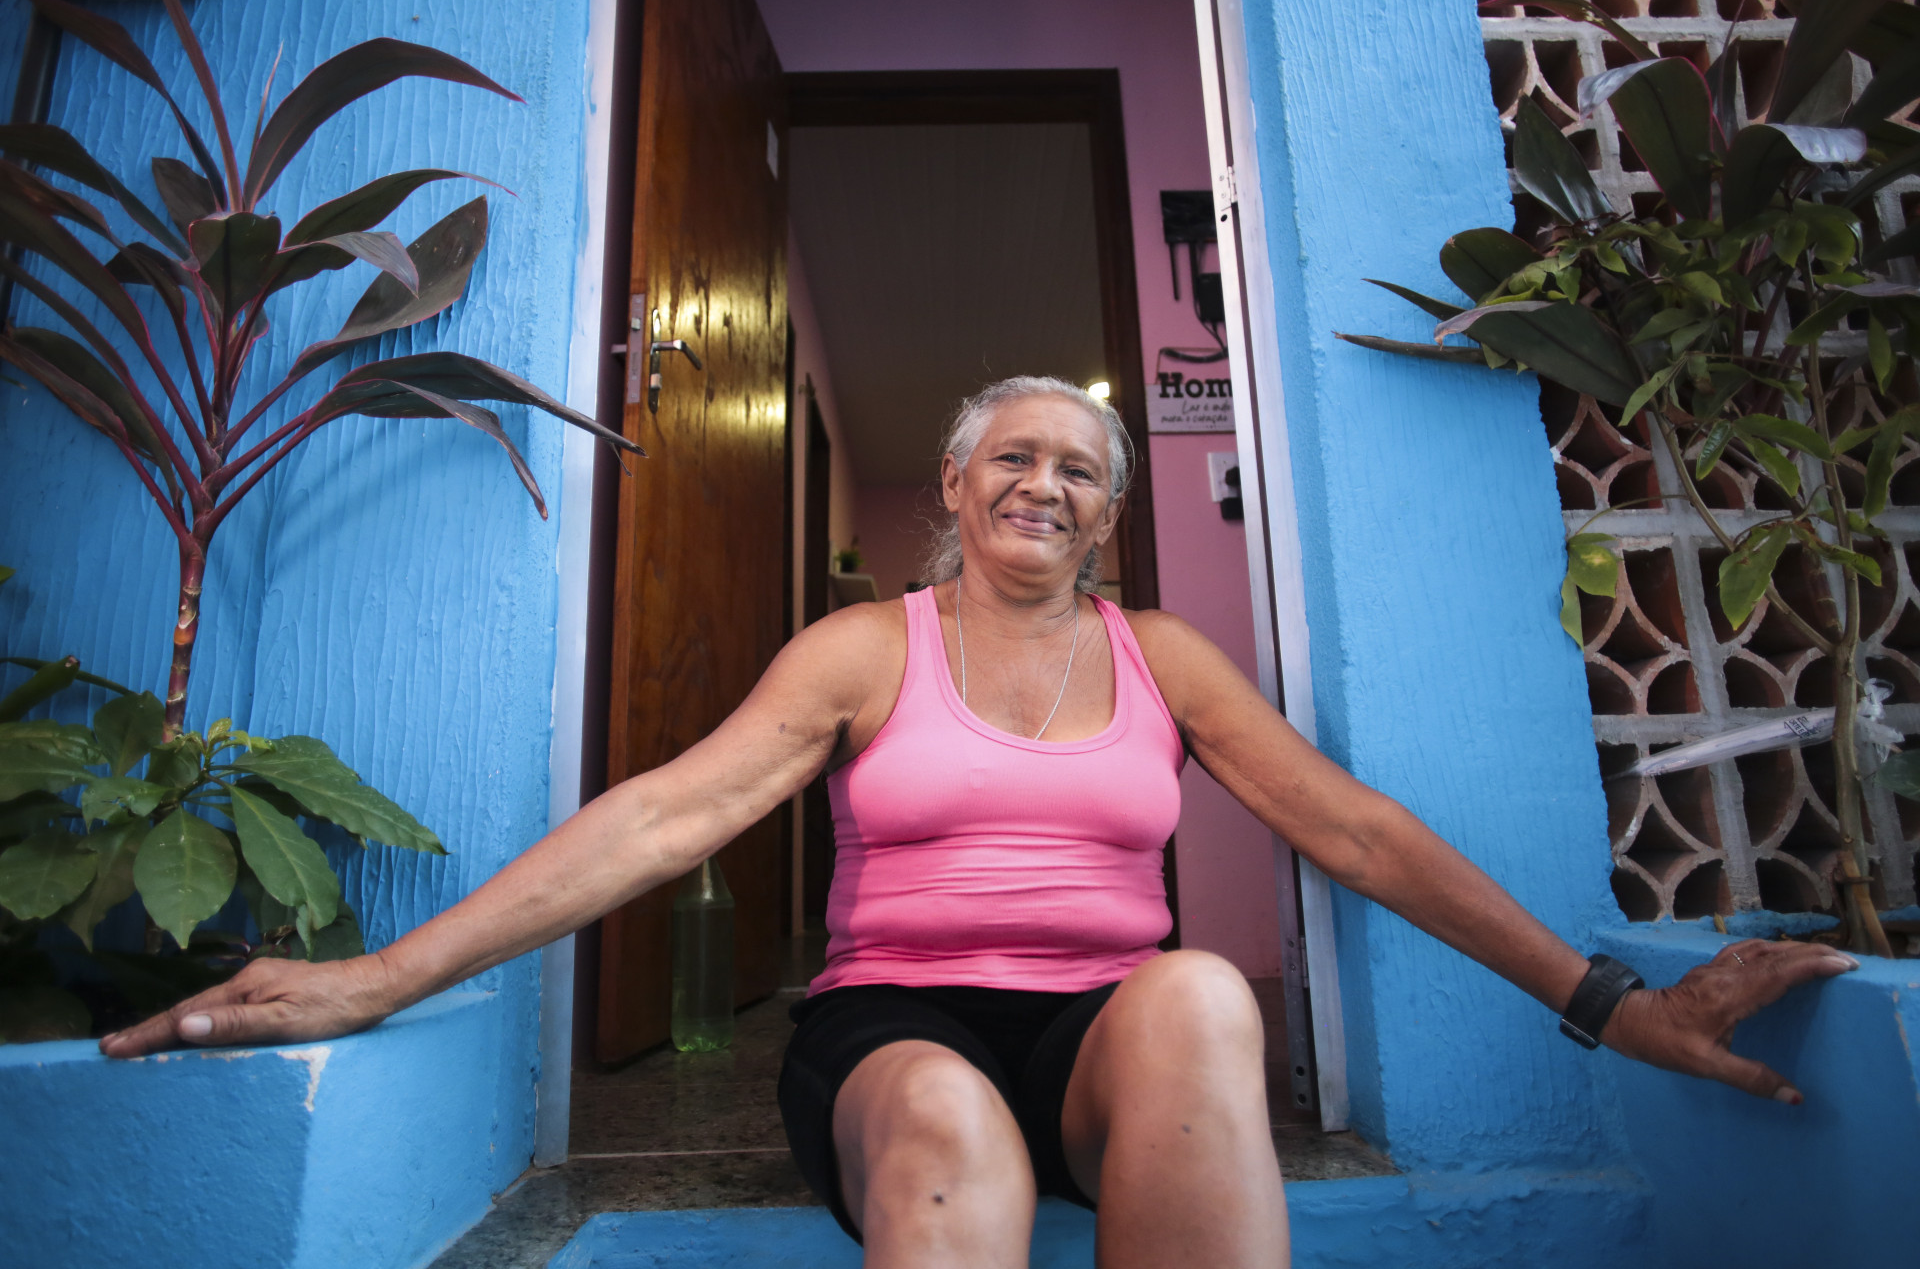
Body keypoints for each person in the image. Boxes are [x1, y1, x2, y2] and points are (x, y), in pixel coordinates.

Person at [103, 375, 1857, 1269]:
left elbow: (1365, 838)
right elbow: (665, 817)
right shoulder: (870, 647)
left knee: (1198, 995)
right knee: (943, 1105)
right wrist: (375, 979)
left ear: (1108, 513)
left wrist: (1613, 1005)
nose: (1043, 481)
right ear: (954, 489)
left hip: (1110, 1049)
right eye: (1010, 456)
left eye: (1079, 467)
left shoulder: (1165, 655)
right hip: (892, 1038)